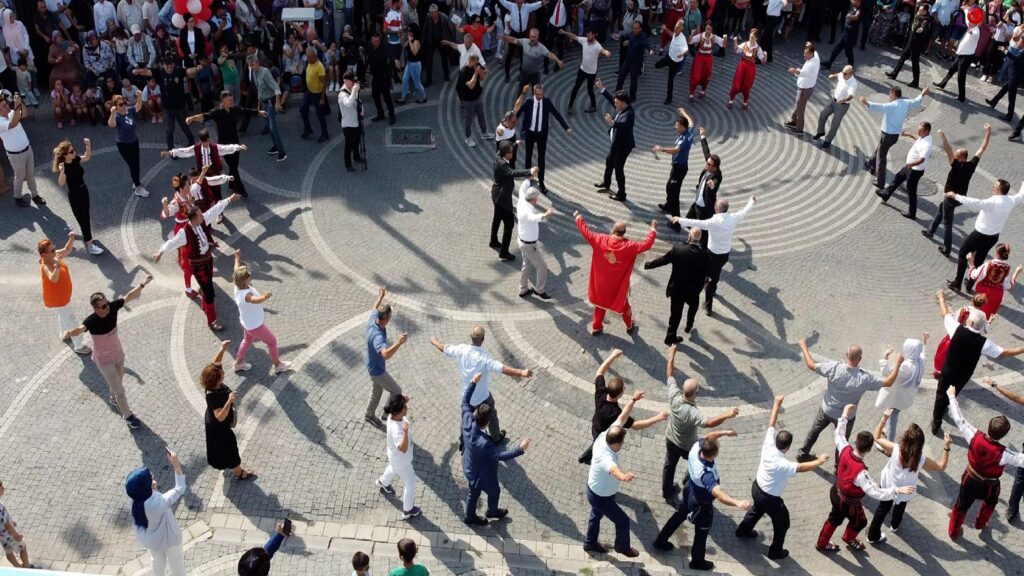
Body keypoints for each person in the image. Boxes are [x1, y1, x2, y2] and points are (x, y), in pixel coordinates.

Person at [734, 396, 828, 560]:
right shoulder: (782, 464)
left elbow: (771, 423)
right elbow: (801, 467)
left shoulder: (768, 444)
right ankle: (775, 551)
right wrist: (818, 461)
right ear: (788, 447)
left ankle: (743, 530)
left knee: (756, 510)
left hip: (757, 488)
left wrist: (776, 404)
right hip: (770, 498)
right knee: (783, 523)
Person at [815, 404, 915, 552]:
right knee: (860, 522)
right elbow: (876, 492)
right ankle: (848, 538)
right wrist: (898, 490)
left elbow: (839, 434)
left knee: (834, 518)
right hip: (848, 502)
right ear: (869, 450)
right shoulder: (862, 473)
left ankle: (822, 543)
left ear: (855, 441)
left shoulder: (844, 448)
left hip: (835, 491)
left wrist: (844, 415)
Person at [652, 430, 751, 571]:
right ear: (715, 454)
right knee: (701, 533)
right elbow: (719, 494)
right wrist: (738, 503)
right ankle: (697, 562)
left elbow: (708, 437)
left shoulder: (696, 448)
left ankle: (660, 540)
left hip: (689, 489)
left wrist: (724, 432)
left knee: (679, 515)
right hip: (701, 502)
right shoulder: (705, 474)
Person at [63, 278, 153, 429]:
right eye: (103, 306)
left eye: (107, 303)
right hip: (104, 361)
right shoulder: (92, 321)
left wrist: (143, 284)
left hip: (118, 354)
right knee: (120, 390)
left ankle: (113, 399)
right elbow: (80, 329)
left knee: (118, 382)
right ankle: (128, 416)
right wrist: (69, 333)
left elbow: (128, 296)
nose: (107, 307)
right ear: (95, 308)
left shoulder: (111, 307)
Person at [930, 290, 1024, 435]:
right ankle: (947, 405)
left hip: (949, 370)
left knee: (940, 394)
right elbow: (1005, 353)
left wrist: (942, 298)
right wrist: (1022, 349)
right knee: (954, 393)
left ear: (970, 322)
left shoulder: (956, 329)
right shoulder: (984, 343)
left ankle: (936, 422)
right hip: (963, 375)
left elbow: (944, 314)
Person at [794, 338, 903, 463]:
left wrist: (803, 346)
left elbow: (811, 365)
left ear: (846, 355)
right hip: (846, 417)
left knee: (814, 431)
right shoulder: (864, 378)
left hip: (826, 409)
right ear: (860, 359)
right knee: (841, 442)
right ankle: (838, 466)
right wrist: (898, 364)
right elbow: (888, 382)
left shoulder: (834, 368)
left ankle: (803, 454)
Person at [659, 344, 740, 505]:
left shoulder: (674, 395)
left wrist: (671, 355)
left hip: (670, 438)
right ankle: (688, 481)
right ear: (695, 393)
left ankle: (667, 491)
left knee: (669, 465)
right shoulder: (692, 412)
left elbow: (669, 374)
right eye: (698, 390)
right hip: (687, 445)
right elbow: (709, 423)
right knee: (694, 462)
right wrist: (727, 414)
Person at [154, 193, 243, 330]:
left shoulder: (201, 221)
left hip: (208, 260)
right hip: (198, 266)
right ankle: (212, 321)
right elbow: (173, 241)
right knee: (209, 292)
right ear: (194, 218)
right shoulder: (185, 233)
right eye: (200, 215)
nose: (203, 216)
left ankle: (205, 306)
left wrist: (229, 199)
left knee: (207, 285)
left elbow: (214, 210)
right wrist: (161, 251)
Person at [431, 326, 533, 443]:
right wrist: (521, 372)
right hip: (483, 397)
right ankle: (496, 437)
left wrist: (434, 341)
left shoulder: (461, 350)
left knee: (466, 417)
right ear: (483, 339)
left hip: (467, 395)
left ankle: (463, 440)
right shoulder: (484, 358)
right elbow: (502, 369)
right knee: (492, 414)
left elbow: (445, 348)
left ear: (470, 337)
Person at [945, 389, 1024, 538]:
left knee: (961, 506)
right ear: (1003, 435)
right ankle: (980, 524)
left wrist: (951, 396)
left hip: (969, 478)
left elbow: (959, 419)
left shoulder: (974, 435)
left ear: (989, 426)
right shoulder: (1005, 453)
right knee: (989, 506)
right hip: (990, 486)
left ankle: (953, 531)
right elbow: (1021, 459)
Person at [867, 410, 951, 543]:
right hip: (906, 490)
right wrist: (946, 447)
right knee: (900, 508)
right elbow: (941, 467)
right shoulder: (921, 459)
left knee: (882, 509)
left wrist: (884, 419)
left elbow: (876, 437)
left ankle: (872, 536)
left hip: (889, 486)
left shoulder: (895, 449)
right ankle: (894, 525)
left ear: (905, 439)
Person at [460, 372, 530, 525]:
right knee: (494, 492)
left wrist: (472, 383)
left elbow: (465, 402)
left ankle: (470, 516)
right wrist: (520, 448)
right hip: (481, 474)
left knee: (473, 492)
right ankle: (492, 511)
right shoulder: (484, 443)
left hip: (468, 465)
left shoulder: (467, 420)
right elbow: (500, 456)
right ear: (486, 423)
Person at [578, 349, 668, 464]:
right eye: (623, 389)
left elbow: (600, 372)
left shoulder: (601, 392)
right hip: (603, 435)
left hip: (595, 426)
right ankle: (589, 458)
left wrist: (613, 356)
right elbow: (635, 425)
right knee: (599, 447)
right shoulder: (615, 413)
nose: (625, 389)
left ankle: (586, 456)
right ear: (620, 394)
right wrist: (658, 418)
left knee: (595, 442)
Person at [670, 196, 756, 315]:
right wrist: (751, 201)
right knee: (714, 273)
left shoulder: (714, 222)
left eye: (715, 206)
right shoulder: (732, 218)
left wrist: (679, 219)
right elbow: (744, 211)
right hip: (724, 255)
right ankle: (710, 286)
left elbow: (697, 223)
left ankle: (708, 304)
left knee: (711, 279)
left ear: (717, 209)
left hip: (712, 255)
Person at [575, 212, 656, 335]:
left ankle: (596, 327)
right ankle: (629, 326)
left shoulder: (600, 239)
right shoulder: (630, 246)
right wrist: (653, 229)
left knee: (600, 305)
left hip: (600, 285)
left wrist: (578, 218)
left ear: (613, 229)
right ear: (624, 233)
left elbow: (586, 232)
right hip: (617, 287)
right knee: (624, 306)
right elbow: (647, 245)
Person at [584, 401, 641, 557]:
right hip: (601, 497)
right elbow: (613, 470)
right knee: (623, 522)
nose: (623, 444)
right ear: (617, 444)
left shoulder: (606, 435)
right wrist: (624, 476)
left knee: (596, 516)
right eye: (622, 442)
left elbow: (623, 417)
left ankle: (590, 543)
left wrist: (633, 400)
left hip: (594, 489)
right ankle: (622, 547)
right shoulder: (606, 458)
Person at [946, 179, 1024, 292]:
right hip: (993, 237)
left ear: (999, 190)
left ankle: (957, 282)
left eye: (995, 187)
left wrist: (955, 196)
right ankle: (970, 284)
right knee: (979, 259)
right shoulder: (1011, 200)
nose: (993, 187)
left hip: (979, 234)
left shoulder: (992, 202)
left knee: (963, 253)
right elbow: (1021, 195)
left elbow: (974, 202)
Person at [923, 127, 992, 256]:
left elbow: (948, 150)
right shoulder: (971, 165)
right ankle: (930, 230)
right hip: (960, 198)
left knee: (948, 225)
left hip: (951, 198)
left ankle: (947, 248)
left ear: (961, 158)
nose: (953, 156)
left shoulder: (956, 166)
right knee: (941, 209)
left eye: (956, 156)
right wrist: (988, 133)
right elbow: (982, 148)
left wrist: (942, 136)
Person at [187, 91, 267, 197]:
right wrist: (192, 118)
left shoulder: (234, 109)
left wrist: (258, 112)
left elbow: (245, 111)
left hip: (235, 143)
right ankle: (241, 189)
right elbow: (205, 116)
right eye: (229, 99)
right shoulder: (217, 112)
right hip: (224, 145)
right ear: (223, 100)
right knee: (233, 167)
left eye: (231, 98)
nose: (231, 100)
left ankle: (231, 184)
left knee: (234, 166)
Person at [125, 451, 187, 576]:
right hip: (170, 541)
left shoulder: (134, 501)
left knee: (157, 563)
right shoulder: (158, 503)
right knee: (177, 566)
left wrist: (153, 489)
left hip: (151, 540)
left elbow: (148, 501)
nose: (153, 479)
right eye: (150, 479)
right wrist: (176, 465)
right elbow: (180, 488)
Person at [202, 340, 256, 481]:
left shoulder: (210, 382)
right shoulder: (215, 396)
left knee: (223, 448)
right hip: (219, 427)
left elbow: (215, 364)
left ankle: (231, 466)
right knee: (230, 448)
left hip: (214, 422)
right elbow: (219, 417)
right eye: (221, 374)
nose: (223, 373)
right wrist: (229, 401)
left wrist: (222, 350)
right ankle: (239, 473)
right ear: (217, 380)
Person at [232, 250, 292, 374]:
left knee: (247, 341)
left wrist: (237, 257)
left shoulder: (237, 285)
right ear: (244, 280)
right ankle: (278, 365)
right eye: (249, 276)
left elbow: (236, 270)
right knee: (272, 341)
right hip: (255, 325)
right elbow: (255, 300)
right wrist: (265, 296)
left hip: (246, 322)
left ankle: (238, 364)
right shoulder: (246, 295)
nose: (251, 276)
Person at [644, 228, 708, 343]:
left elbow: (664, 259)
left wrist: (649, 265)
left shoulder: (678, 249)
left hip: (677, 288)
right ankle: (689, 326)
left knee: (675, 314)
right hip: (693, 290)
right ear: (700, 239)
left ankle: (670, 336)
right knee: (693, 307)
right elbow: (708, 272)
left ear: (689, 237)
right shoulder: (704, 255)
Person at [859, 86, 929, 190]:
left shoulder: (892, 105)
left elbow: (880, 107)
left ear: (894, 95)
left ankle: (880, 181)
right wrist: (922, 93)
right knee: (881, 149)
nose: (889, 96)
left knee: (881, 157)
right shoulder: (905, 103)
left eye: (890, 94)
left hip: (886, 134)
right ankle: (871, 164)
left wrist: (866, 103)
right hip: (895, 136)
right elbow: (916, 101)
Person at [364, 286, 407, 428]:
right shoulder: (377, 337)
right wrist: (399, 342)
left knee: (377, 392)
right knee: (397, 391)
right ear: (386, 319)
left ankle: (369, 414)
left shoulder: (373, 318)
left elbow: (374, 306)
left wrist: (381, 296)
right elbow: (385, 354)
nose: (391, 318)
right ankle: (387, 413)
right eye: (390, 316)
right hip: (377, 371)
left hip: (373, 366)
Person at [516, 83, 571, 194]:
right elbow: (517, 113)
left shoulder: (546, 102)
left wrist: (566, 127)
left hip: (542, 134)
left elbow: (557, 114)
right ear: (534, 93)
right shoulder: (528, 102)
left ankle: (541, 182)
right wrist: (508, 125)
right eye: (538, 95)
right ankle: (528, 180)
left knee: (541, 158)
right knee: (528, 156)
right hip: (530, 133)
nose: (540, 97)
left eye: (541, 94)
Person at [39, 235, 90, 354]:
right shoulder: (45, 265)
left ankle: (64, 334)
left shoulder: (53, 256)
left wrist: (71, 238)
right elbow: (53, 278)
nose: (55, 251)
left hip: (62, 297)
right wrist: (56, 265)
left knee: (63, 316)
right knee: (71, 320)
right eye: (52, 250)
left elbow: (67, 250)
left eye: (54, 248)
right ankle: (79, 346)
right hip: (59, 300)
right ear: (43, 255)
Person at [135, 58, 198, 152]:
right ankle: (171, 149)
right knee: (169, 129)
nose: (169, 69)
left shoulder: (178, 70)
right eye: (167, 67)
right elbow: (146, 72)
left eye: (171, 66)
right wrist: (137, 71)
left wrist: (197, 68)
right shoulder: (159, 72)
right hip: (168, 108)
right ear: (163, 65)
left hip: (180, 106)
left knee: (185, 126)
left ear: (173, 64)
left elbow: (189, 72)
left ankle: (192, 144)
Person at [53, 139, 103, 255]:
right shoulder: (64, 166)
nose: (74, 152)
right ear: (65, 155)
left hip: (83, 190)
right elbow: (61, 183)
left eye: (73, 150)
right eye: (71, 151)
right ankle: (90, 245)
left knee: (85, 217)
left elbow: (86, 157)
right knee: (83, 219)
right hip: (75, 195)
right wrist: (62, 172)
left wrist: (88, 146)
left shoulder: (75, 160)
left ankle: (87, 237)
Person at [376, 394, 422, 519]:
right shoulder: (397, 430)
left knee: (392, 467)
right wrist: (405, 433)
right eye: (404, 408)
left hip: (394, 458)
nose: (406, 409)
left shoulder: (392, 416)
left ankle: (383, 482)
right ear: (398, 411)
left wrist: (402, 400)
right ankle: (408, 510)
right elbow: (403, 448)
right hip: (402, 461)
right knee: (410, 482)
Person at [491, 140, 538, 260]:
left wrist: (515, 145)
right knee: (509, 224)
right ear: (505, 154)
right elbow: (512, 172)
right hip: (503, 198)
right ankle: (504, 252)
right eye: (510, 152)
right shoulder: (502, 165)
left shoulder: (498, 155)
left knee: (497, 218)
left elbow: (504, 148)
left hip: (497, 194)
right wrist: (529, 171)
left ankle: (493, 241)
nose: (512, 154)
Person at [876, 121, 933, 220]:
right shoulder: (924, 137)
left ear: (927, 131)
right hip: (910, 167)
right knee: (898, 178)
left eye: (920, 131)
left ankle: (912, 213)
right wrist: (909, 134)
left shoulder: (926, 145)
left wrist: (911, 164)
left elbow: (922, 159)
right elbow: (918, 139)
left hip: (914, 170)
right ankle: (886, 194)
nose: (918, 132)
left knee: (911, 192)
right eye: (918, 130)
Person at [875, 336, 927, 440]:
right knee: (892, 416)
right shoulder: (920, 361)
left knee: (892, 419)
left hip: (895, 399)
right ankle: (887, 431)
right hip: (905, 398)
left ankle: (889, 443)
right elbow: (923, 353)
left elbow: (886, 373)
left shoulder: (906, 366)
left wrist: (886, 356)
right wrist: (924, 342)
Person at [592, 81, 634, 202]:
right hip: (616, 144)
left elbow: (624, 124)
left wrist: (612, 122)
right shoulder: (621, 107)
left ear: (623, 103)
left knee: (619, 169)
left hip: (623, 146)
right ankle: (606, 183)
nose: (614, 104)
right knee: (609, 161)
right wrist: (602, 89)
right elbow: (612, 99)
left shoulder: (629, 114)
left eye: (617, 103)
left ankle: (622, 194)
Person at [0, 92, 44, 208]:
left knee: (30, 174)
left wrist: (20, 103)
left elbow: (23, 114)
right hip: (15, 155)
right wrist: (16, 105)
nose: (7, 106)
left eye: (6, 104)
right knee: (19, 176)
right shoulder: (0, 122)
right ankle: (17, 196)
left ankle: (35, 195)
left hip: (27, 149)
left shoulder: (10, 113)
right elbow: (13, 123)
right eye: (4, 106)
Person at [654, 107, 695, 227]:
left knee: (674, 193)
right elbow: (691, 122)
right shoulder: (689, 131)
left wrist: (661, 149)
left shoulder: (685, 140)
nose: (675, 126)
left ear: (682, 126)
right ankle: (668, 205)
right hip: (678, 167)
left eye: (677, 125)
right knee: (669, 186)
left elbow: (676, 150)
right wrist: (683, 113)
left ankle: (676, 221)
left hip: (679, 169)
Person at [516, 179, 555, 299]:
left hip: (523, 242)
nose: (537, 200)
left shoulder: (522, 200)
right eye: (537, 198)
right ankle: (539, 290)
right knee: (542, 267)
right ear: (533, 199)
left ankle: (523, 289)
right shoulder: (528, 212)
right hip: (529, 245)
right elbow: (536, 218)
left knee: (526, 265)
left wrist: (529, 177)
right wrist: (546, 214)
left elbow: (523, 187)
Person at [246, 53, 286, 161]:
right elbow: (260, 90)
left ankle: (282, 152)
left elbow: (276, 87)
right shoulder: (254, 73)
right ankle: (276, 147)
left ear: (258, 63)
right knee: (269, 127)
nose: (251, 67)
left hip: (270, 103)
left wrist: (277, 103)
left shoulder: (265, 72)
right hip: (264, 103)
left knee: (273, 127)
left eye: (252, 65)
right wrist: (259, 106)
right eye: (249, 65)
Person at [561, 27, 611, 113]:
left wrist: (607, 53)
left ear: (594, 35)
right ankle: (570, 106)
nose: (588, 37)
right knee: (576, 87)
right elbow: (574, 37)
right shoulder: (584, 40)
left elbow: (603, 51)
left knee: (590, 90)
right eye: (587, 35)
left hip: (591, 73)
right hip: (582, 70)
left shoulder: (597, 46)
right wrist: (565, 32)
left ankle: (593, 106)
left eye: (590, 35)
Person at [108, 93, 149, 197]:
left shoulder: (129, 110)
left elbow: (138, 107)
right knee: (132, 165)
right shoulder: (117, 116)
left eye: (124, 103)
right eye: (120, 105)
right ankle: (138, 187)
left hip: (134, 141)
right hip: (123, 144)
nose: (123, 106)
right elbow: (111, 124)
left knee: (136, 164)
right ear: (116, 107)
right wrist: (112, 114)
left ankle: (136, 182)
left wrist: (139, 97)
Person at [933, 14, 981, 102]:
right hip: (960, 55)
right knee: (951, 69)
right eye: (970, 21)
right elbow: (967, 18)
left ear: (976, 23)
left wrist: (970, 32)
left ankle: (962, 97)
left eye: (972, 22)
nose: (969, 22)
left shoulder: (976, 31)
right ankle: (942, 84)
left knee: (961, 77)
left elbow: (974, 34)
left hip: (966, 57)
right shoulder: (971, 26)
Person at [969, 244, 1023, 318]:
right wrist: (1017, 272)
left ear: (997, 254)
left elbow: (974, 275)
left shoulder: (988, 264)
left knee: (977, 308)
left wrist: (971, 263)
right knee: (988, 314)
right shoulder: (1007, 268)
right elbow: (1008, 286)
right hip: (996, 294)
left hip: (982, 290)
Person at [885, 3, 931, 88]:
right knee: (902, 58)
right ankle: (894, 74)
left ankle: (915, 82)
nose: (919, 11)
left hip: (916, 46)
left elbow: (923, 25)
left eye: (921, 10)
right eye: (919, 9)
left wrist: (922, 28)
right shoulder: (918, 16)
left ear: (925, 11)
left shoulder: (926, 20)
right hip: (911, 43)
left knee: (915, 63)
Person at [498, 0, 544, 82]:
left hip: (523, 35)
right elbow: (502, 1)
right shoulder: (511, 6)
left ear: (523, 2)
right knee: (509, 55)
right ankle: (507, 75)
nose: (519, 4)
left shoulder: (527, 7)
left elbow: (538, 4)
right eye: (518, 2)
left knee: (523, 55)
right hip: (514, 34)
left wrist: (545, 2)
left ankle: (522, 74)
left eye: (521, 2)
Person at [812, 65, 857, 150]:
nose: (843, 75)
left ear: (851, 73)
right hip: (833, 101)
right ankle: (820, 132)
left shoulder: (853, 83)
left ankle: (828, 141)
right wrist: (833, 75)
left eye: (845, 74)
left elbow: (851, 96)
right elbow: (839, 74)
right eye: (843, 72)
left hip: (842, 106)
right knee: (823, 114)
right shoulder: (842, 74)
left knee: (835, 124)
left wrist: (843, 100)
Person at [784, 42, 820, 135]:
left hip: (804, 90)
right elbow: (815, 51)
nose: (804, 55)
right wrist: (810, 45)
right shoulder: (816, 57)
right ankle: (793, 121)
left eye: (806, 53)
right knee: (798, 105)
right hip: (808, 88)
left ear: (811, 54)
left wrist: (794, 70)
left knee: (800, 109)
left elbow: (801, 73)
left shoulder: (810, 66)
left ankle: (799, 129)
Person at [727, 29, 766, 110]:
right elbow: (736, 50)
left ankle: (745, 103)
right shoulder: (745, 44)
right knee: (736, 84)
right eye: (750, 37)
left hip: (750, 68)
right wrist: (735, 42)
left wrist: (765, 56)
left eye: (752, 38)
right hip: (742, 65)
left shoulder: (758, 48)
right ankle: (730, 101)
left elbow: (762, 61)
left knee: (747, 86)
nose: (751, 39)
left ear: (756, 39)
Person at [0, 480, 34, 569]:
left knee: (8, 551)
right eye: (1, 487)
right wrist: (16, 535)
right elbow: (7, 525)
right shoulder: (0, 508)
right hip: (8, 534)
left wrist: (11, 521)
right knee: (23, 547)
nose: (3, 488)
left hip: (1, 536)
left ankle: (18, 567)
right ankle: (27, 568)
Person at [457, 54, 490, 148]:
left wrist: (482, 72)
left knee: (481, 115)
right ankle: (468, 138)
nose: (477, 64)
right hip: (468, 101)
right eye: (475, 62)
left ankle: (484, 133)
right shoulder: (464, 72)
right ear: (471, 61)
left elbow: (484, 76)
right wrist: (476, 73)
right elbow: (471, 86)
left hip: (477, 98)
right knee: (469, 120)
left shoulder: (476, 65)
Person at [299, 46, 330, 143]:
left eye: (308, 57)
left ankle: (325, 134)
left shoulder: (319, 67)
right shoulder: (310, 62)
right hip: (309, 92)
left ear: (314, 56)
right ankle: (308, 129)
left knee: (320, 115)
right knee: (303, 110)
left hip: (317, 94)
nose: (307, 59)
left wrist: (322, 98)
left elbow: (324, 84)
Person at [616, 20, 651, 101]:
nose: (634, 30)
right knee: (621, 76)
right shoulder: (632, 34)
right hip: (628, 60)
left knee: (633, 80)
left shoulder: (643, 37)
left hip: (636, 63)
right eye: (633, 28)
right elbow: (629, 36)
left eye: (636, 28)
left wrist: (650, 50)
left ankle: (632, 96)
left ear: (640, 29)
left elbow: (647, 45)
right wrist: (625, 41)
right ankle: (617, 93)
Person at [655, 19, 689, 104]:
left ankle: (669, 98)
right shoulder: (675, 33)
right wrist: (666, 29)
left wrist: (682, 54)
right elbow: (672, 34)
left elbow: (686, 50)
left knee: (670, 81)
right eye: (676, 26)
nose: (676, 28)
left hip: (675, 63)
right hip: (669, 57)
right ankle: (666, 64)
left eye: (678, 27)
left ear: (682, 29)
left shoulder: (682, 39)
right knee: (657, 65)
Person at [688, 22, 724, 101]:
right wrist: (692, 34)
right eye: (707, 29)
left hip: (708, 59)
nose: (708, 31)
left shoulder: (714, 38)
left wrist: (725, 38)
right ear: (705, 29)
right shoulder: (701, 36)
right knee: (696, 76)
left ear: (712, 30)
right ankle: (691, 93)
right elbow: (690, 41)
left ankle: (702, 91)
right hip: (700, 57)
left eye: (710, 29)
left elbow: (723, 44)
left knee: (706, 76)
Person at [367, 33, 397, 125]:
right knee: (375, 95)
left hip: (384, 76)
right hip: (375, 76)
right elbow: (360, 42)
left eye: (378, 41)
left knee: (386, 96)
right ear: (371, 41)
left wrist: (395, 60)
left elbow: (390, 55)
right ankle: (380, 113)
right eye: (374, 41)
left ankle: (392, 115)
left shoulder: (384, 48)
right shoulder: (370, 47)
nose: (376, 43)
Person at [339, 71, 365, 171]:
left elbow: (359, 101)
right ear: (346, 81)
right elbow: (348, 104)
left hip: (356, 122)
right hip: (348, 124)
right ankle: (348, 164)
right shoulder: (342, 94)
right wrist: (354, 91)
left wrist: (362, 110)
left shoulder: (352, 89)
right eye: (352, 81)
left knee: (357, 140)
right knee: (349, 144)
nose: (353, 83)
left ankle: (356, 156)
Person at [822, 0, 860, 68]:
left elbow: (857, 16)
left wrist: (850, 16)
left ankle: (850, 68)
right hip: (846, 31)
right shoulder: (853, 6)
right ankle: (829, 63)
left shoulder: (860, 9)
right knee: (837, 48)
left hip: (850, 33)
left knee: (848, 52)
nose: (852, 1)